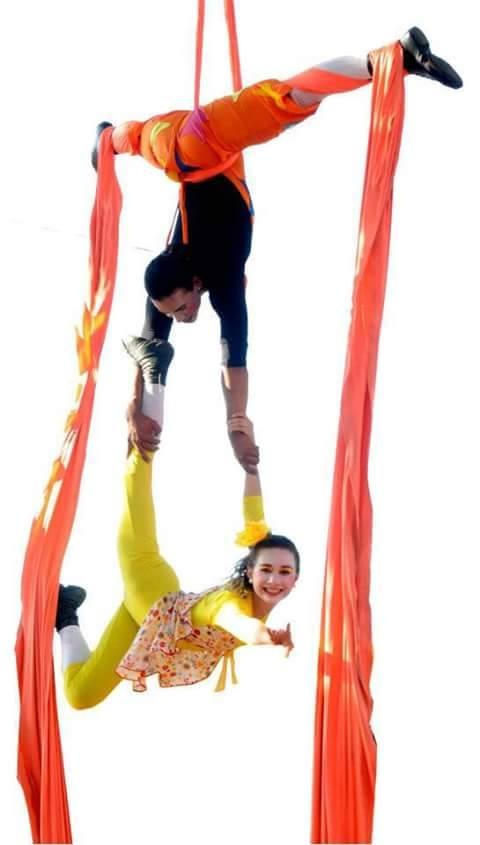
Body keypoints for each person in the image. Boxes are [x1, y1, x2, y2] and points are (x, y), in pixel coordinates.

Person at [91, 26, 462, 471]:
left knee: (288, 101)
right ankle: (105, 140)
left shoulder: (224, 281)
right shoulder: (171, 275)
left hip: (196, 144)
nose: (182, 318)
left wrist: (236, 423)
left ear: (194, 283)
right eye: (175, 313)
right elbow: (152, 346)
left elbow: (233, 358)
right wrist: (137, 408)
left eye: (182, 308)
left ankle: (396, 56)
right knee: (136, 137)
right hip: (178, 146)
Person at [55, 338, 299, 707]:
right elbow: (239, 625)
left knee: (81, 695)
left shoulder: (254, 584)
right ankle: (155, 374)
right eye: (267, 570)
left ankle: (65, 612)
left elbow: (255, 517)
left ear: (296, 579)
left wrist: (251, 468)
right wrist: (268, 636)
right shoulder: (231, 604)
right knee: (138, 479)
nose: (274, 580)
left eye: (284, 573)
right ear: (250, 572)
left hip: (150, 620)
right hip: (152, 589)